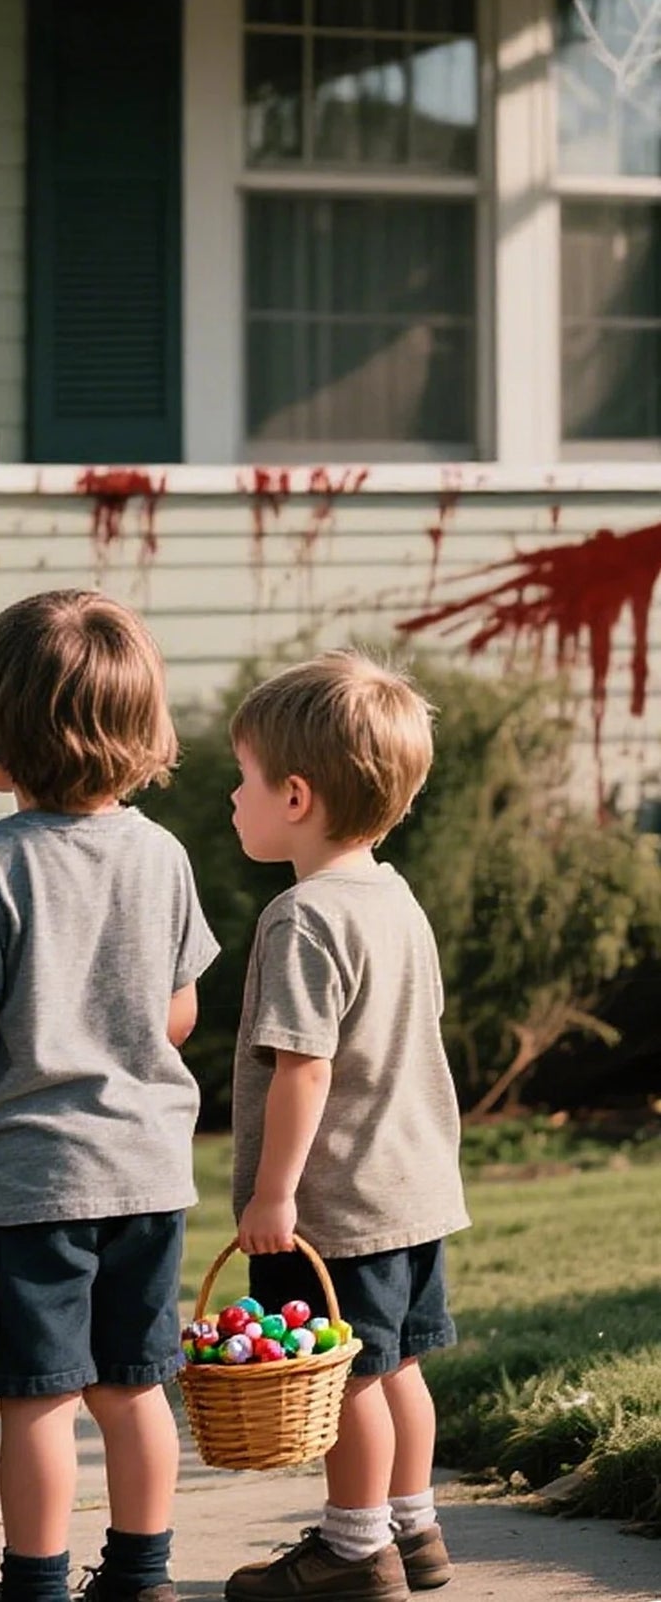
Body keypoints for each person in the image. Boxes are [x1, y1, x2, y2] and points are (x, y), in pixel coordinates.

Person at [0, 589, 218, 1602]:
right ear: (142, 733)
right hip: (148, 1171)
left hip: (32, 1181)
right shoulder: (161, 852)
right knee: (133, 1384)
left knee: (35, 1396)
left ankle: (34, 1582)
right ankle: (142, 1574)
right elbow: (178, 1016)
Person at [224, 652, 469, 1600]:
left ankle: (354, 1549)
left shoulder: (304, 918)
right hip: (413, 1191)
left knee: (349, 1377)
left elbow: (306, 1064)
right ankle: (416, 1530)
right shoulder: (395, 901)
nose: (231, 797)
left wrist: (274, 1192)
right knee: (399, 1364)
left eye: (241, 779)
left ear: (294, 795)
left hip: (338, 1206)